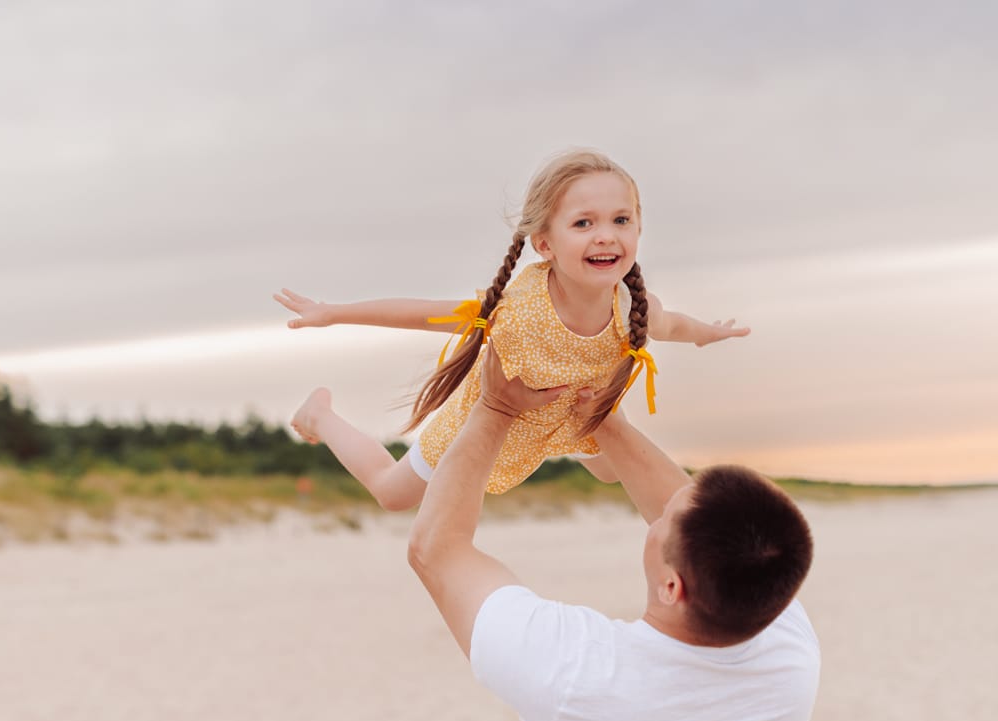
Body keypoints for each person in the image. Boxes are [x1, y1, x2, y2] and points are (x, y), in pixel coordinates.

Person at [407, 343, 820, 721]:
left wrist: (495, 410)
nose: (660, 510)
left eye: (665, 519)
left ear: (673, 587)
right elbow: (703, 527)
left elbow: (436, 550)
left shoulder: (579, 674)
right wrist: (605, 421)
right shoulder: (789, 654)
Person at [275, 149, 750, 510]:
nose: (606, 234)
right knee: (392, 495)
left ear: (638, 230)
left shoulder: (632, 306)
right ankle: (320, 415)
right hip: (483, 426)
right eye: (584, 223)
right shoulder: (519, 308)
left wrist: (706, 332)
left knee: (611, 468)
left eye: (621, 220)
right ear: (544, 242)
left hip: (564, 418)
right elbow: (425, 314)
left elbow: (671, 324)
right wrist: (334, 312)